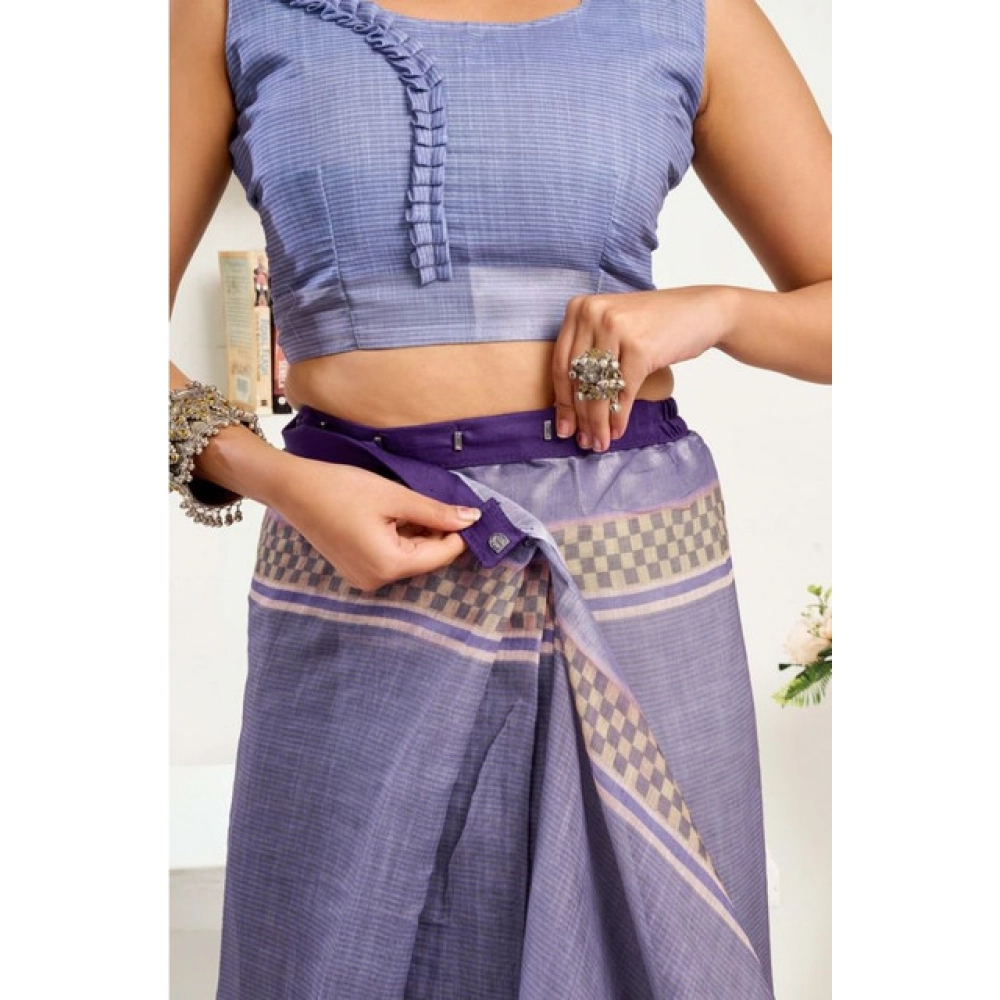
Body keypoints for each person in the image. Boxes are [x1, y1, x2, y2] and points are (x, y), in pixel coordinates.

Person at [170, 0, 830, 996]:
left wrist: (721, 312)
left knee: (656, 955)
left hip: (633, 574)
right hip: (358, 577)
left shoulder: (690, 14)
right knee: (332, 954)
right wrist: (280, 481)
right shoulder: (235, 12)